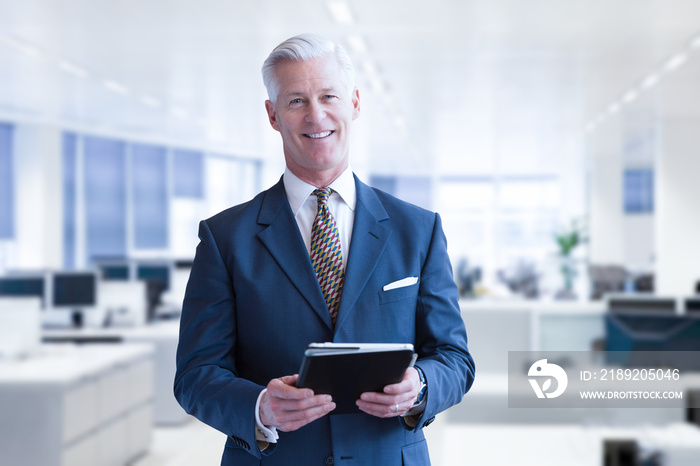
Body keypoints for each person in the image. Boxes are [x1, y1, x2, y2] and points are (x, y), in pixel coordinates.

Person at [174, 33, 475, 466]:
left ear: (354, 102)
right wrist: (260, 407)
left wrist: (421, 386)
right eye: (295, 100)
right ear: (273, 115)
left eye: (328, 96)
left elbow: (455, 359)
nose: (316, 115)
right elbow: (195, 376)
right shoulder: (225, 237)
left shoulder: (418, 229)